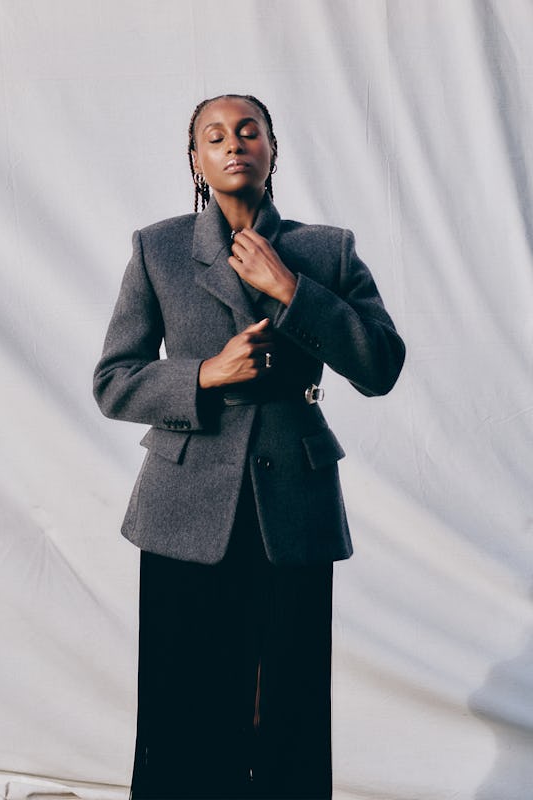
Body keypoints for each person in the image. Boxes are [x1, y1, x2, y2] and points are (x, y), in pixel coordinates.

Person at [93, 93, 405, 800]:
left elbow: (381, 365)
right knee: (183, 705)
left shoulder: (327, 250)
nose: (233, 142)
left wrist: (292, 289)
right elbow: (114, 381)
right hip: (183, 503)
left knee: (286, 704)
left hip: (293, 501)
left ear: (271, 148)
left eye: (248, 130)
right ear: (196, 160)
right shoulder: (158, 248)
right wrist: (206, 373)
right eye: (214, 135)